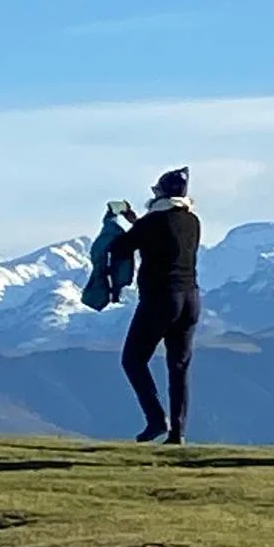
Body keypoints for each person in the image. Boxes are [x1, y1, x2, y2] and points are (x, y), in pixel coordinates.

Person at [106, 167, 202, 445]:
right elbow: (157, 237)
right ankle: (178, 433)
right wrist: (137, 220)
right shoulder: (192, 221)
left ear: (161, 193)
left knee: (133, 359)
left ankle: (156, 419)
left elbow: (121, 246)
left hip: (161, 298)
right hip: (191, 298)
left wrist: (118, 223)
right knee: (179, 365)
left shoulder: (153, 222)